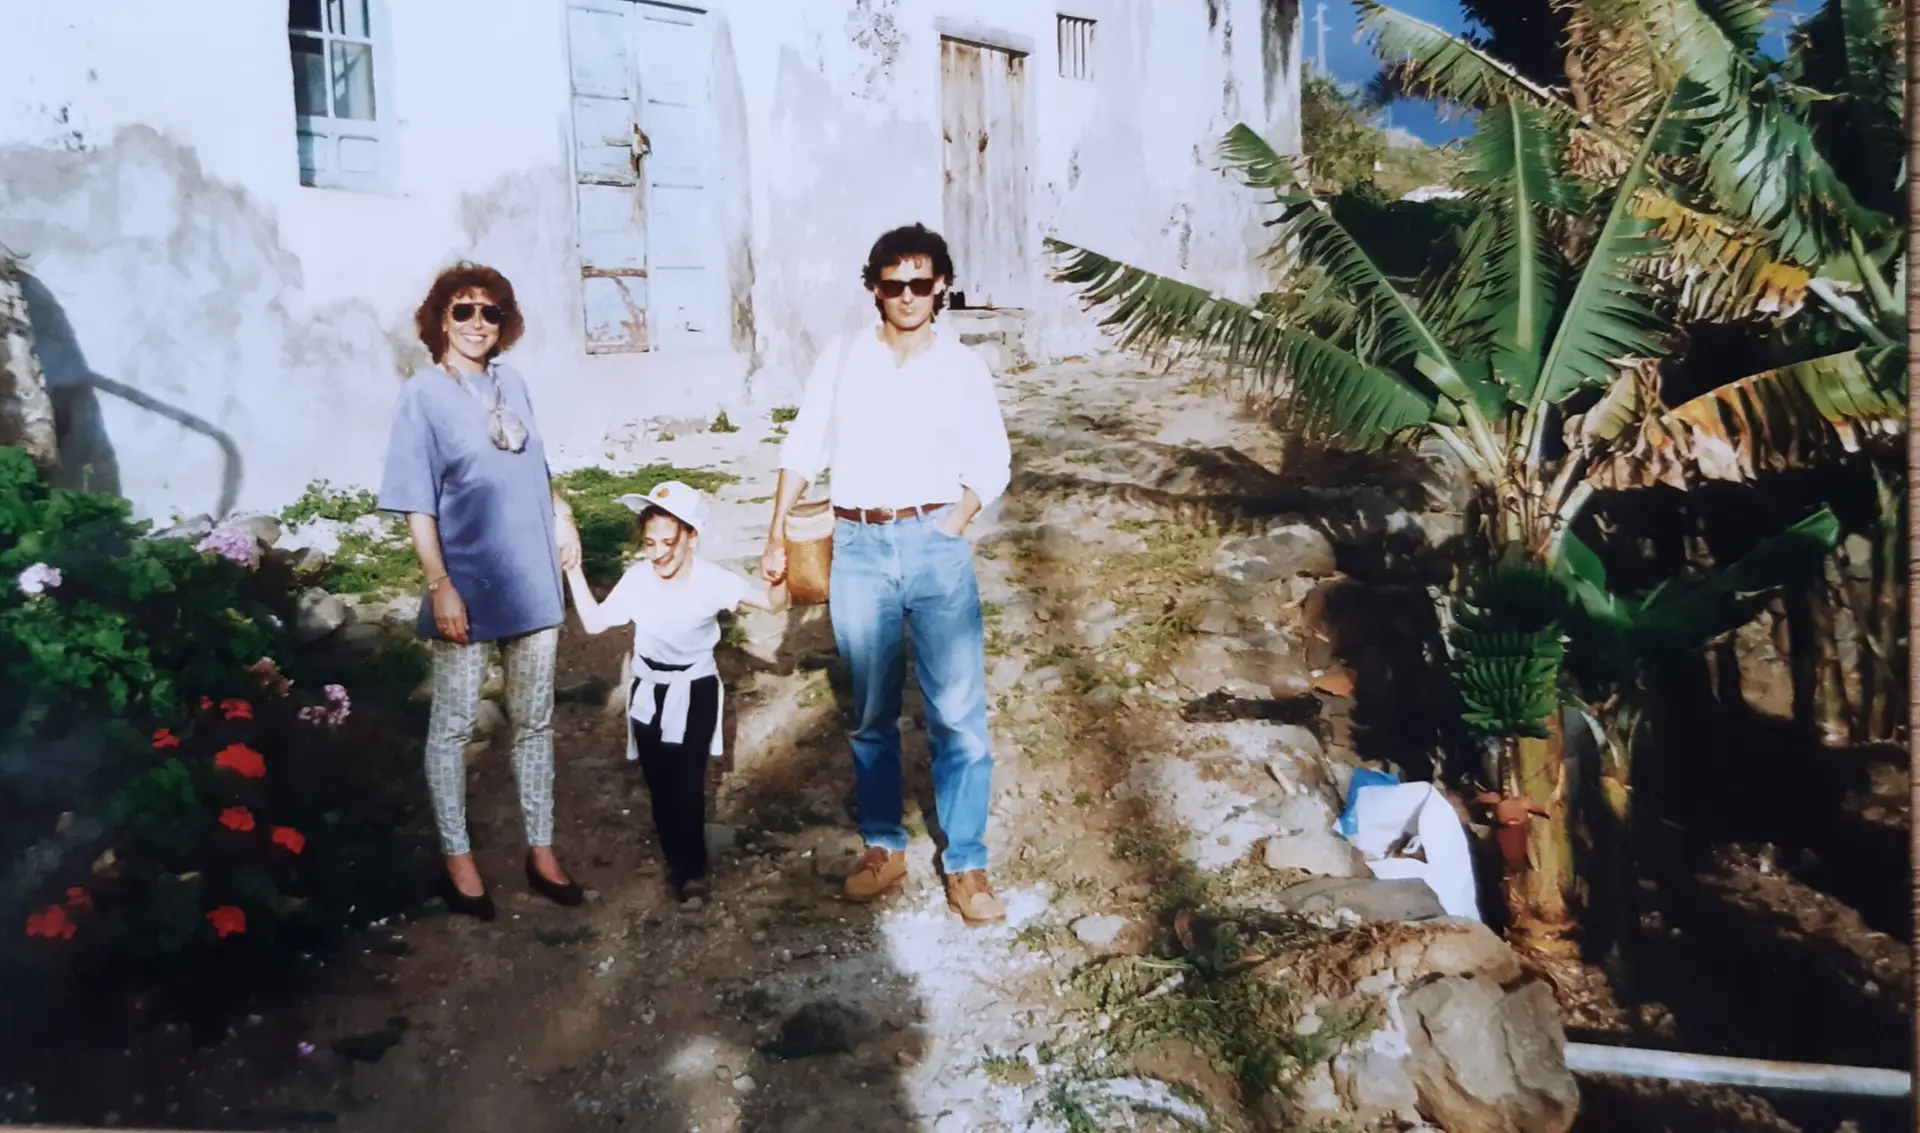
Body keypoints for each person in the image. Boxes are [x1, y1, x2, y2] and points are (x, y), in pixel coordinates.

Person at [760, 223, 1013, 927]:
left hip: (935, 544)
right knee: (871, 711)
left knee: (957, 713)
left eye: (920, 283)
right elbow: (803, 444)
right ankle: (884, 846)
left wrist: (953, 522)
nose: (907, 296)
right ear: (874, 287)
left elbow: (992, 460)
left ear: (941, 287)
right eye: (893, 283)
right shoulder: (842, 357)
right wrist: (775, 532)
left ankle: (966, 862)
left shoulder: (962, 366)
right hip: (858, 548)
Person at [378, 262, 586, 922]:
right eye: (463, 310)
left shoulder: (512, 382)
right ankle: (458, 860)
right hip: (467, 584)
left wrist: (562, 514)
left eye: (490, 312)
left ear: (505, 322)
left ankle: (541, 850)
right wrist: (440, 584)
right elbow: (417, 502)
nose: (477, 323)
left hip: (531, 580)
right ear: (440, 319)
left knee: (534, 721)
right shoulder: (422, 395)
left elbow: (535, 466)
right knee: (454, 727)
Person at [565, 481, 788, 902]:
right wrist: (573, 570)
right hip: (648, 689)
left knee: (686, 781)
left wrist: (778, 575)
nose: (659, 554)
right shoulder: (637, 579)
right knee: (657, 779)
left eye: (669, 542)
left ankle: (692, 871)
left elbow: (774, 603)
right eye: (650, 543)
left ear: (691, 538)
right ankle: (676, 859)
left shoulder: (712, 580)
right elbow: (595, 622)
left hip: (693, 689)